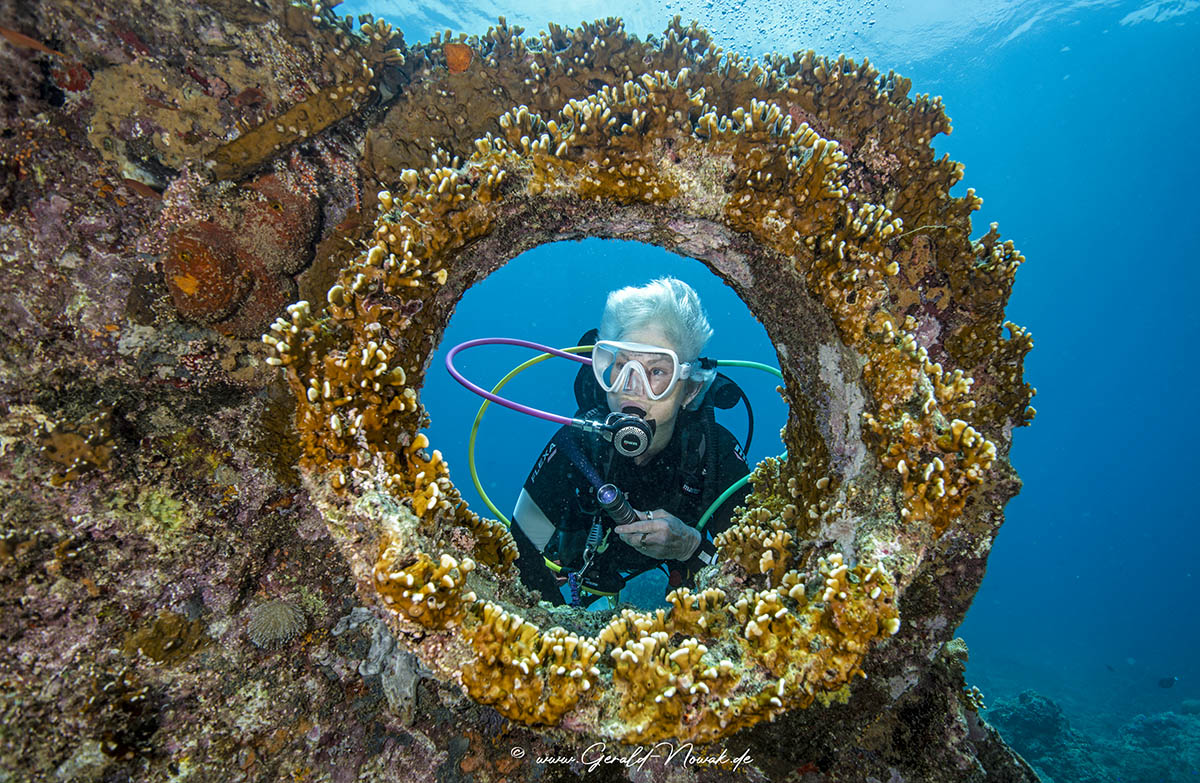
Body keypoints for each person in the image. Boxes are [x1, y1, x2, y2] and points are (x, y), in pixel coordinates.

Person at [509, 277, 751, 607]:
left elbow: (754, 569)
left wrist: (690, 548)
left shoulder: (714, 452)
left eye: (656, 372)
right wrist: (560, 624)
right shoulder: (577, 445)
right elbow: (519, 551)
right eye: (622, 366)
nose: (632, 387)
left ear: (690, 389)